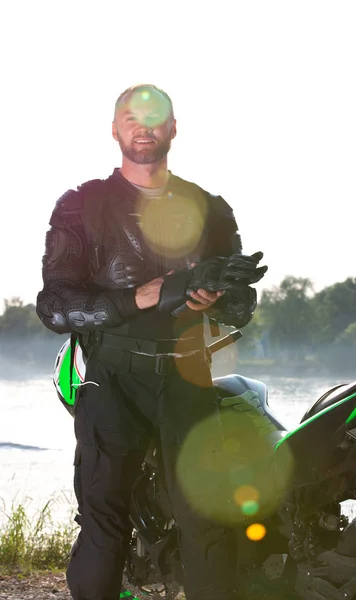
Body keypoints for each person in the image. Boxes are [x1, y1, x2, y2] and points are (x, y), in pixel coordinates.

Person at [36, 84, 267, 600]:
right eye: (131, 117)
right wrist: (140, 297)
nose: (144, 126)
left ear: (173, 129)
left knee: (206, 522)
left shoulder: (210, 209)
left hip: (189, 375)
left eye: (155, 117)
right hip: (110, 374)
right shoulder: (83, 205)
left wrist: (217, 300)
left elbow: (242, 308)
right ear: (115, 129)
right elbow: (53, 305)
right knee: (104, 522)